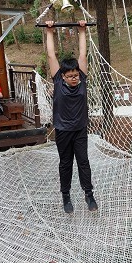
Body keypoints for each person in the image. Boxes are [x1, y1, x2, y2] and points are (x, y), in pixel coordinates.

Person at [45, 20, 98, 213]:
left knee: (83, 161)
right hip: (62, 130)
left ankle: (89, 194)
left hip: (80, 129)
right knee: (66, 163)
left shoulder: (82, 78)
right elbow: (51, 55)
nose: (74, 78)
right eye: (70, 76)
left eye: (76, 75)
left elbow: (82, 55)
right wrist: (49, 31)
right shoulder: (58, 81)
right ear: (63, 76)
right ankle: (66, 196)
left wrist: (82, 30)